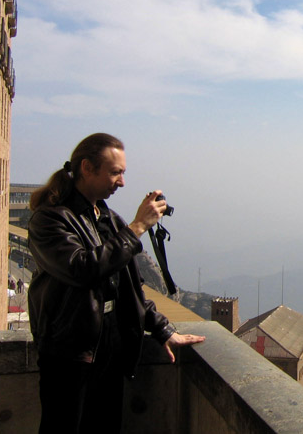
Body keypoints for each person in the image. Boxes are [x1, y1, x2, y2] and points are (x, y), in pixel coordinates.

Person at [27, 133, 205, 434]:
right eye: (115, 172)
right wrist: (137, 227)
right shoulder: (50, 220)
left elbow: (128, 287)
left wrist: (163, 330)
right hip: (70, 358)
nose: (121, 182)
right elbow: (82, 268)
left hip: (108, 355)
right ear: (87, 168)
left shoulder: (107, 219)